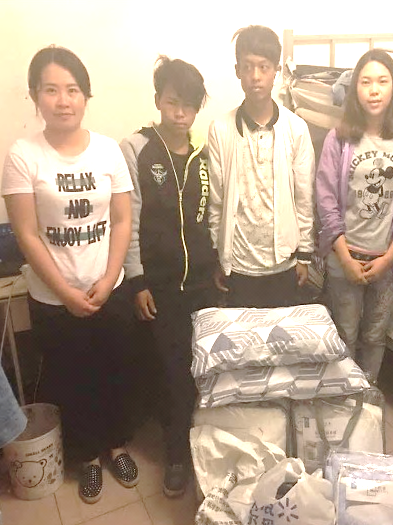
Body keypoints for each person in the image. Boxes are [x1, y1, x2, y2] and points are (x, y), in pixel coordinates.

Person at [1, 46, 139, 504]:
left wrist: (110, 277)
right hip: (53, 298)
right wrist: (65, 293)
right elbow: (26, 234)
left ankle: (117, 445)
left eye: (73, 90)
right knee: (72, 381)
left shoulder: (108, 150)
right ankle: (88, 459)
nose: (63, 100)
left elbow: (123, 220)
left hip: (109, 290)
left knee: (116, 371)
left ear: (86, 96)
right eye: (52, 90)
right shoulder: (24, 155)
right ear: (35, 96)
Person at [121, 56, 217, 497]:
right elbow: (128, 218)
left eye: (190, 105)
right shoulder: (137, 149)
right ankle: (177, 455)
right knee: (174, 373)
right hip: (160, 286)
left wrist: (218, 265)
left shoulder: (203, 154)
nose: (181, 113)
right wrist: (137, 279)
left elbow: (211, 216)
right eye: (173, 102)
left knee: (206, 371)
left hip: (203, 283)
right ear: (158, 99)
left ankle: (210, 450)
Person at [315, 49, 393, 383]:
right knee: (345, 335)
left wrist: (389, 259)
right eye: (365, 82)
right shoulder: (339, 138)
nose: (374, 90)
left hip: (386, 261)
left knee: (375, 337)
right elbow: (325, 200)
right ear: (355, 89)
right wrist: (345, 257)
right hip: (345, 257)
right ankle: (345, 395)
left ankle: (366, 395)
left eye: (382, 81)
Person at [208, 25, 315, 308]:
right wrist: (219, 256)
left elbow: (304, 198)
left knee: (281, 334)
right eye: (247, 67)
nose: (255, 76)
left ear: (276, 70)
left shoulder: (296, 129)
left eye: (263, 67)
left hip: (284, 262)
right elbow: (216, 200)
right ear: (237, 71)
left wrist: (304, 255)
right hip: (239, 263)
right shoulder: (220, 129)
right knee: (243, 335)